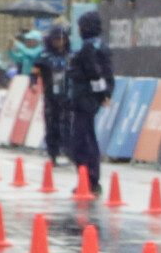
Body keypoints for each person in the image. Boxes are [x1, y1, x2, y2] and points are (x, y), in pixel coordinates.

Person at [68, 12, 113, 196]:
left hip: (84, 98)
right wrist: (105, 93)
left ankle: (88, 178)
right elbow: (106, 73)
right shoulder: (101, 46)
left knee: (82, 140)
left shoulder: (88, 49)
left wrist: (101, 94)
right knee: (87, 137)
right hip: (90, 98)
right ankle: (90, 178)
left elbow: (94, 74)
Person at [31, 25, 73, 167]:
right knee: (52, 124)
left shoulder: (71, 56)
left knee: (68, 124)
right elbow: (35, 72)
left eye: (61, 39)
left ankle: (69, 152)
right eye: (56, 39)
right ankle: (53, 153)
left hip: (68, 96)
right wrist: (33, 83)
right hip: (51, 96)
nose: (59, 42)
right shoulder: (44, 56)